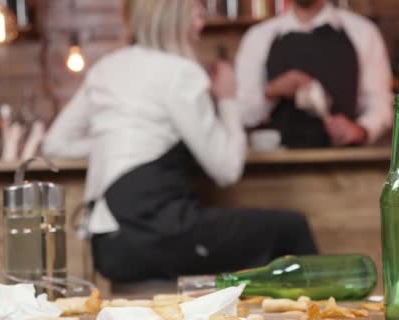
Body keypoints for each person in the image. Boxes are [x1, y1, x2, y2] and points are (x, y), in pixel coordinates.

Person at [42, 0, 317, 282]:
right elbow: (227, 169)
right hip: (153, 233)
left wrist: (116, 145)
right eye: (196, 13)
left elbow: (55, 142)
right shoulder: (181, 73)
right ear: (173, 18)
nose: (201, 22)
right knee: (291, 229)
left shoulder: (107, 68)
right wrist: (228, 98)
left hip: (108, 246)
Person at [235, 0, 393, 148]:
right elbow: (242, 113)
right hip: (278, 164)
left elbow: (381, 104)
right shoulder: (258, 37)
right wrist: (271, 92)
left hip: (346, 162)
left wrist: (362, 129)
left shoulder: (363, 32)